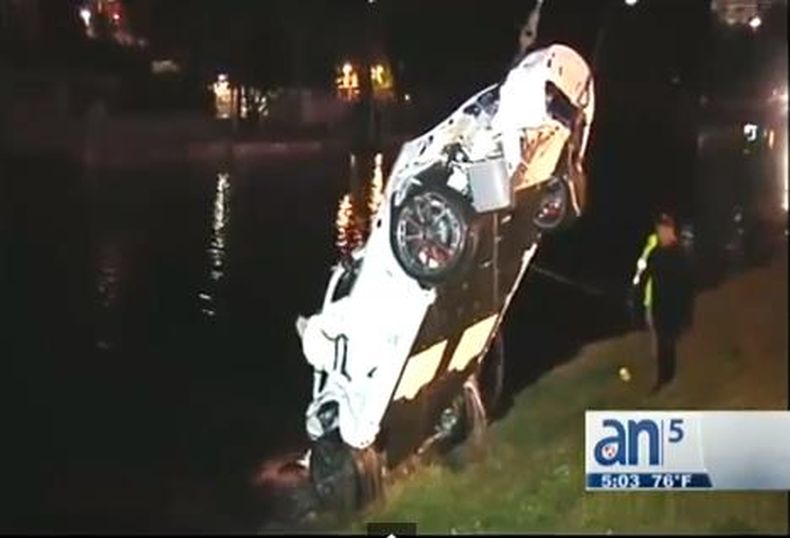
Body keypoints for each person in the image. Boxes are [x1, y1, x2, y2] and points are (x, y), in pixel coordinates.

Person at [634, 213, 695, 392]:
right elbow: (644, 278)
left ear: (671, 230)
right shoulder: (655, 253)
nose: (662, 233)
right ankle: (663, 379)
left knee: (669, 342)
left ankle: (670, 377)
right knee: (661, 343)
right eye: (659, 229)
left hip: (675, 305)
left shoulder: (680, 253)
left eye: (665, 229)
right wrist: (637, 301)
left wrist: (687, 314)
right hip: (658, 305)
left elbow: (688, 285)